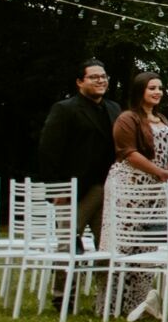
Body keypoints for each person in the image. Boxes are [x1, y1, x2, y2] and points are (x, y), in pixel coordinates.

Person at [99, 73, 168, 321]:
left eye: (160, 88)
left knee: (146, 245)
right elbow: (128, 152)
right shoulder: (127, 118)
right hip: (129, 186)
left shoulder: (162, 118)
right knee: (122, 244)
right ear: (140, 90)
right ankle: (110, 305)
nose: (158, 92)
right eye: (152, 88)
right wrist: (160, 172)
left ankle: (139, 304)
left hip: (155, 189)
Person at [37, 60, 119, 253]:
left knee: (108, 247)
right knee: (69, 246)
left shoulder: (114, 108)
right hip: (74, 191)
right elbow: (48, 150)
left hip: (107, 189)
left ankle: (106, 284)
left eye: (103, 76)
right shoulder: (65, 109)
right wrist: (56, 189)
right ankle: (63, 285)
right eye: (93, 77)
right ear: (79, 82)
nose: (100, 80)